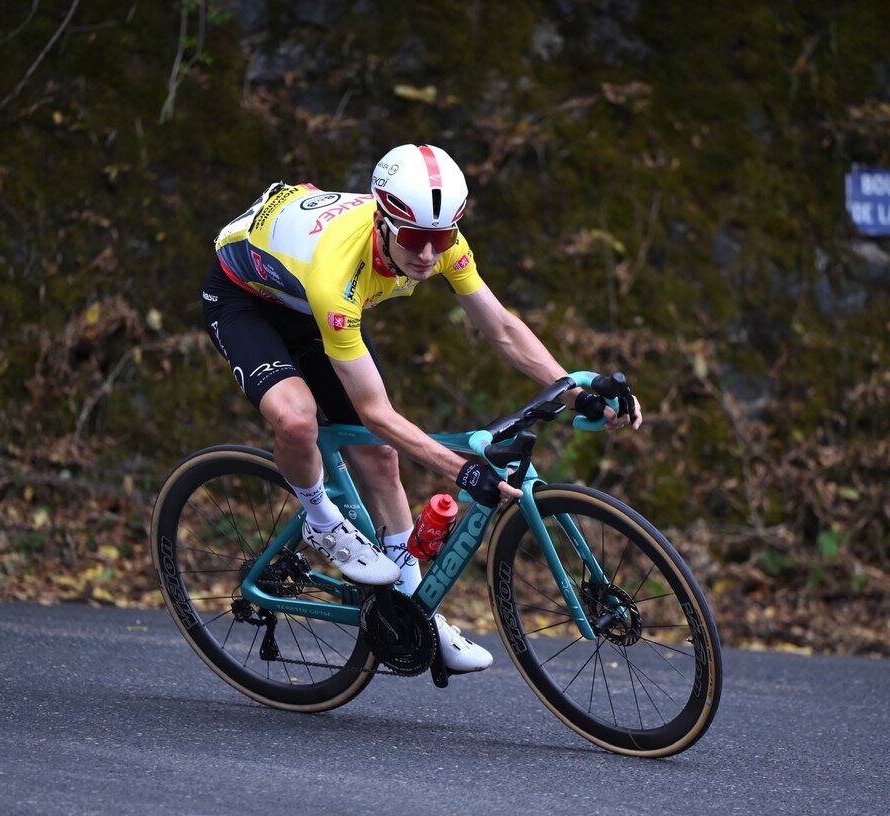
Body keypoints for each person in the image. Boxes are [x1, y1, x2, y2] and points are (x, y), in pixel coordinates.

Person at [202, 143, 641, 672]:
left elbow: (500, 329)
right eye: (415, 239)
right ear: (384, 221)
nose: (429, 255)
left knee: (381, 459)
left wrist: (573, 389)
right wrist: (463, 471)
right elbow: (376, 413)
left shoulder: (441, 240)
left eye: (441, 239)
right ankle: (320, 518)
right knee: (297, 419)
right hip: (246, 296)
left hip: (305, 297)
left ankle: (418, 615)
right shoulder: (337, 273)